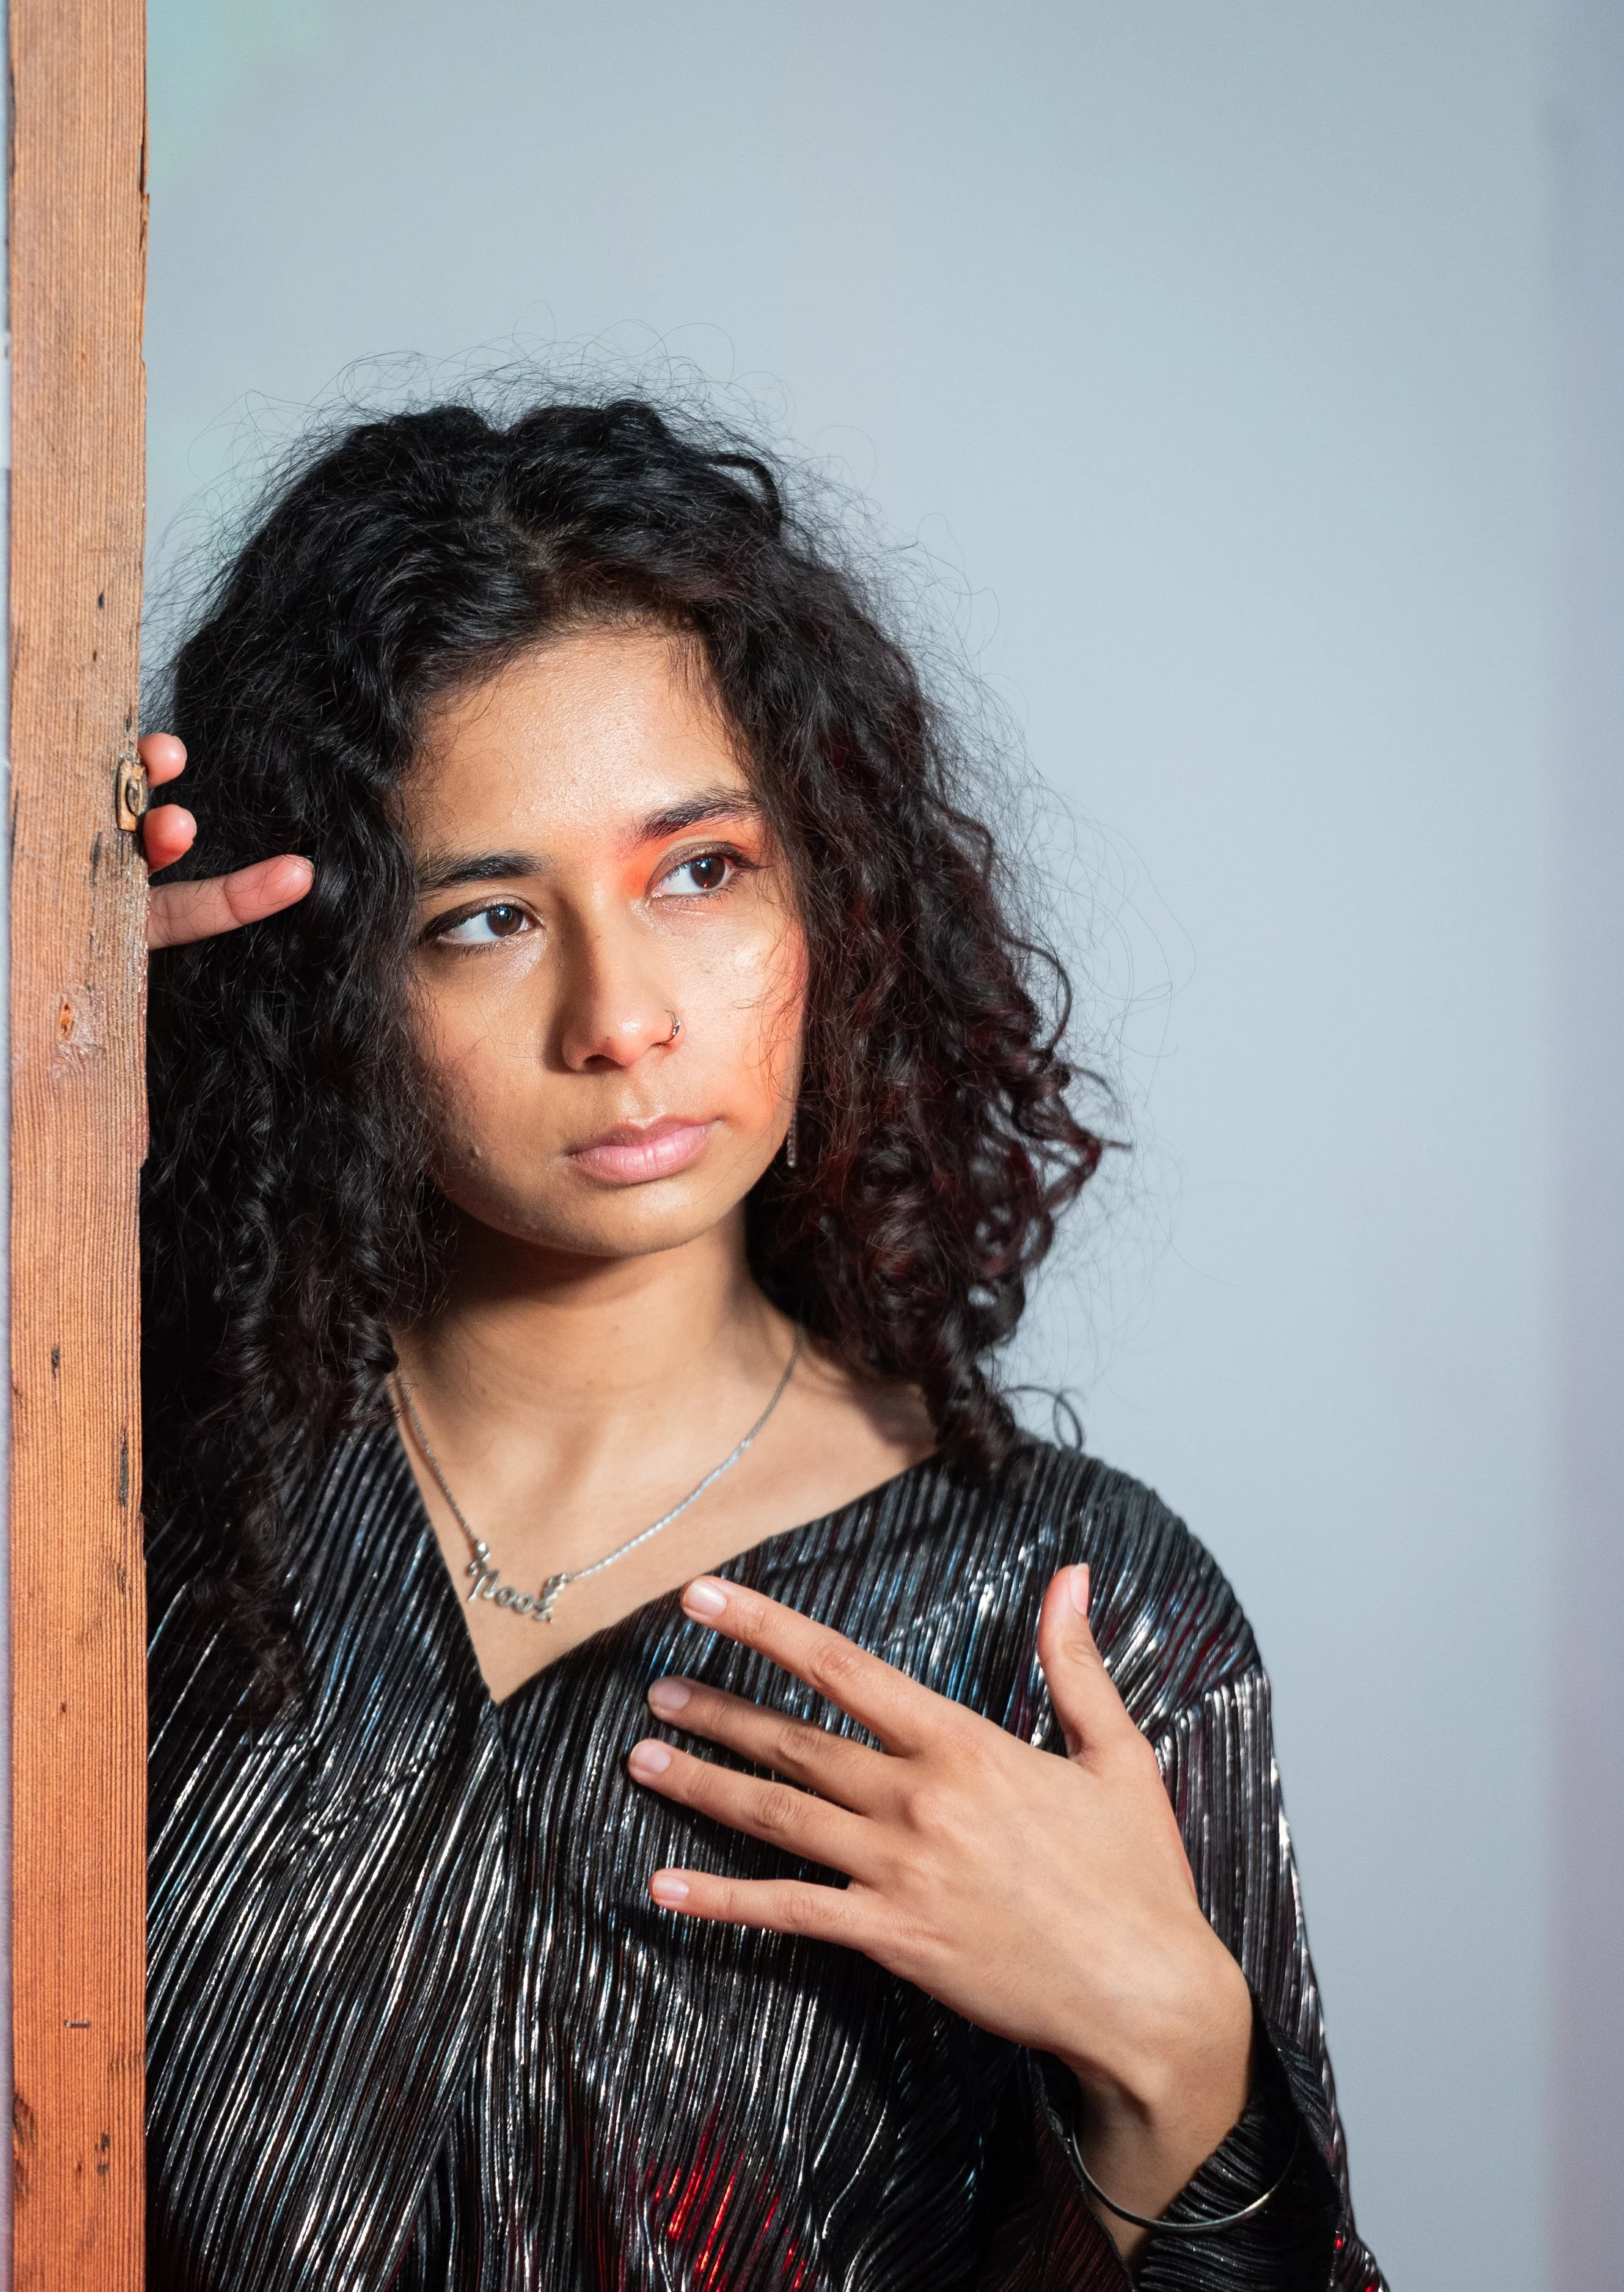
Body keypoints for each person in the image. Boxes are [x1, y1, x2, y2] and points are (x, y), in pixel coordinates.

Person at [139, 396, 1383, 2291]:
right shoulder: (99, 1503)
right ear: (325, 979)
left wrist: (1170, 2054)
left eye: (698, 872)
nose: (619, 1013)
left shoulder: (1054, 1610)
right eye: (482, 916)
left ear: (836, 888)